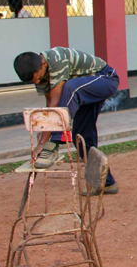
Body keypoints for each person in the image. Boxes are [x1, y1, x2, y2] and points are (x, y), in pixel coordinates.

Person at [13, 47, 119, 194]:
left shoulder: (57, 59)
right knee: (81, 135)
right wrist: (41, 143)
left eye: (37, 78)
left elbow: (56, 102)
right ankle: (108, 183)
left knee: (70, 87)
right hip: (85, 92)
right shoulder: (40, 73)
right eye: (34, 81)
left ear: (43, 63)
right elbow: (50, 105)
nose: (37, 81)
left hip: (105, 78)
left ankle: (55, 142)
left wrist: (46, 142)